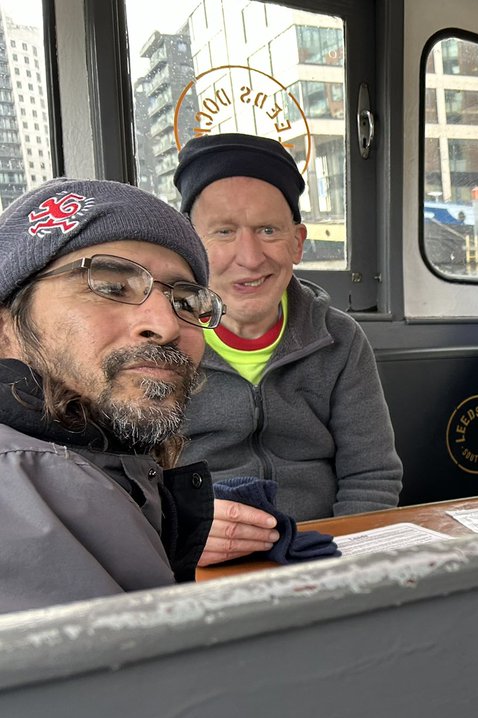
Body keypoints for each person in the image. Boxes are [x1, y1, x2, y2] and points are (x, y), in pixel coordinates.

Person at [0, 177, 274, 612]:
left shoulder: (104, 464)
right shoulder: (22, 485)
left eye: (186, 301)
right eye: (110, 287)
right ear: (6, 327)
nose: (165, 325)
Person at [173, 133, 403, 521]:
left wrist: (342, 563)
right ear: (189, 244)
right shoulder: (160, 340)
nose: (249, 257)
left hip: (320, 549)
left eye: (268, 230)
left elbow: (372, 475)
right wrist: (186, 540)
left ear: (297, 244)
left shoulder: (339, 339)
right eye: (224, 232)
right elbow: (133, 481)